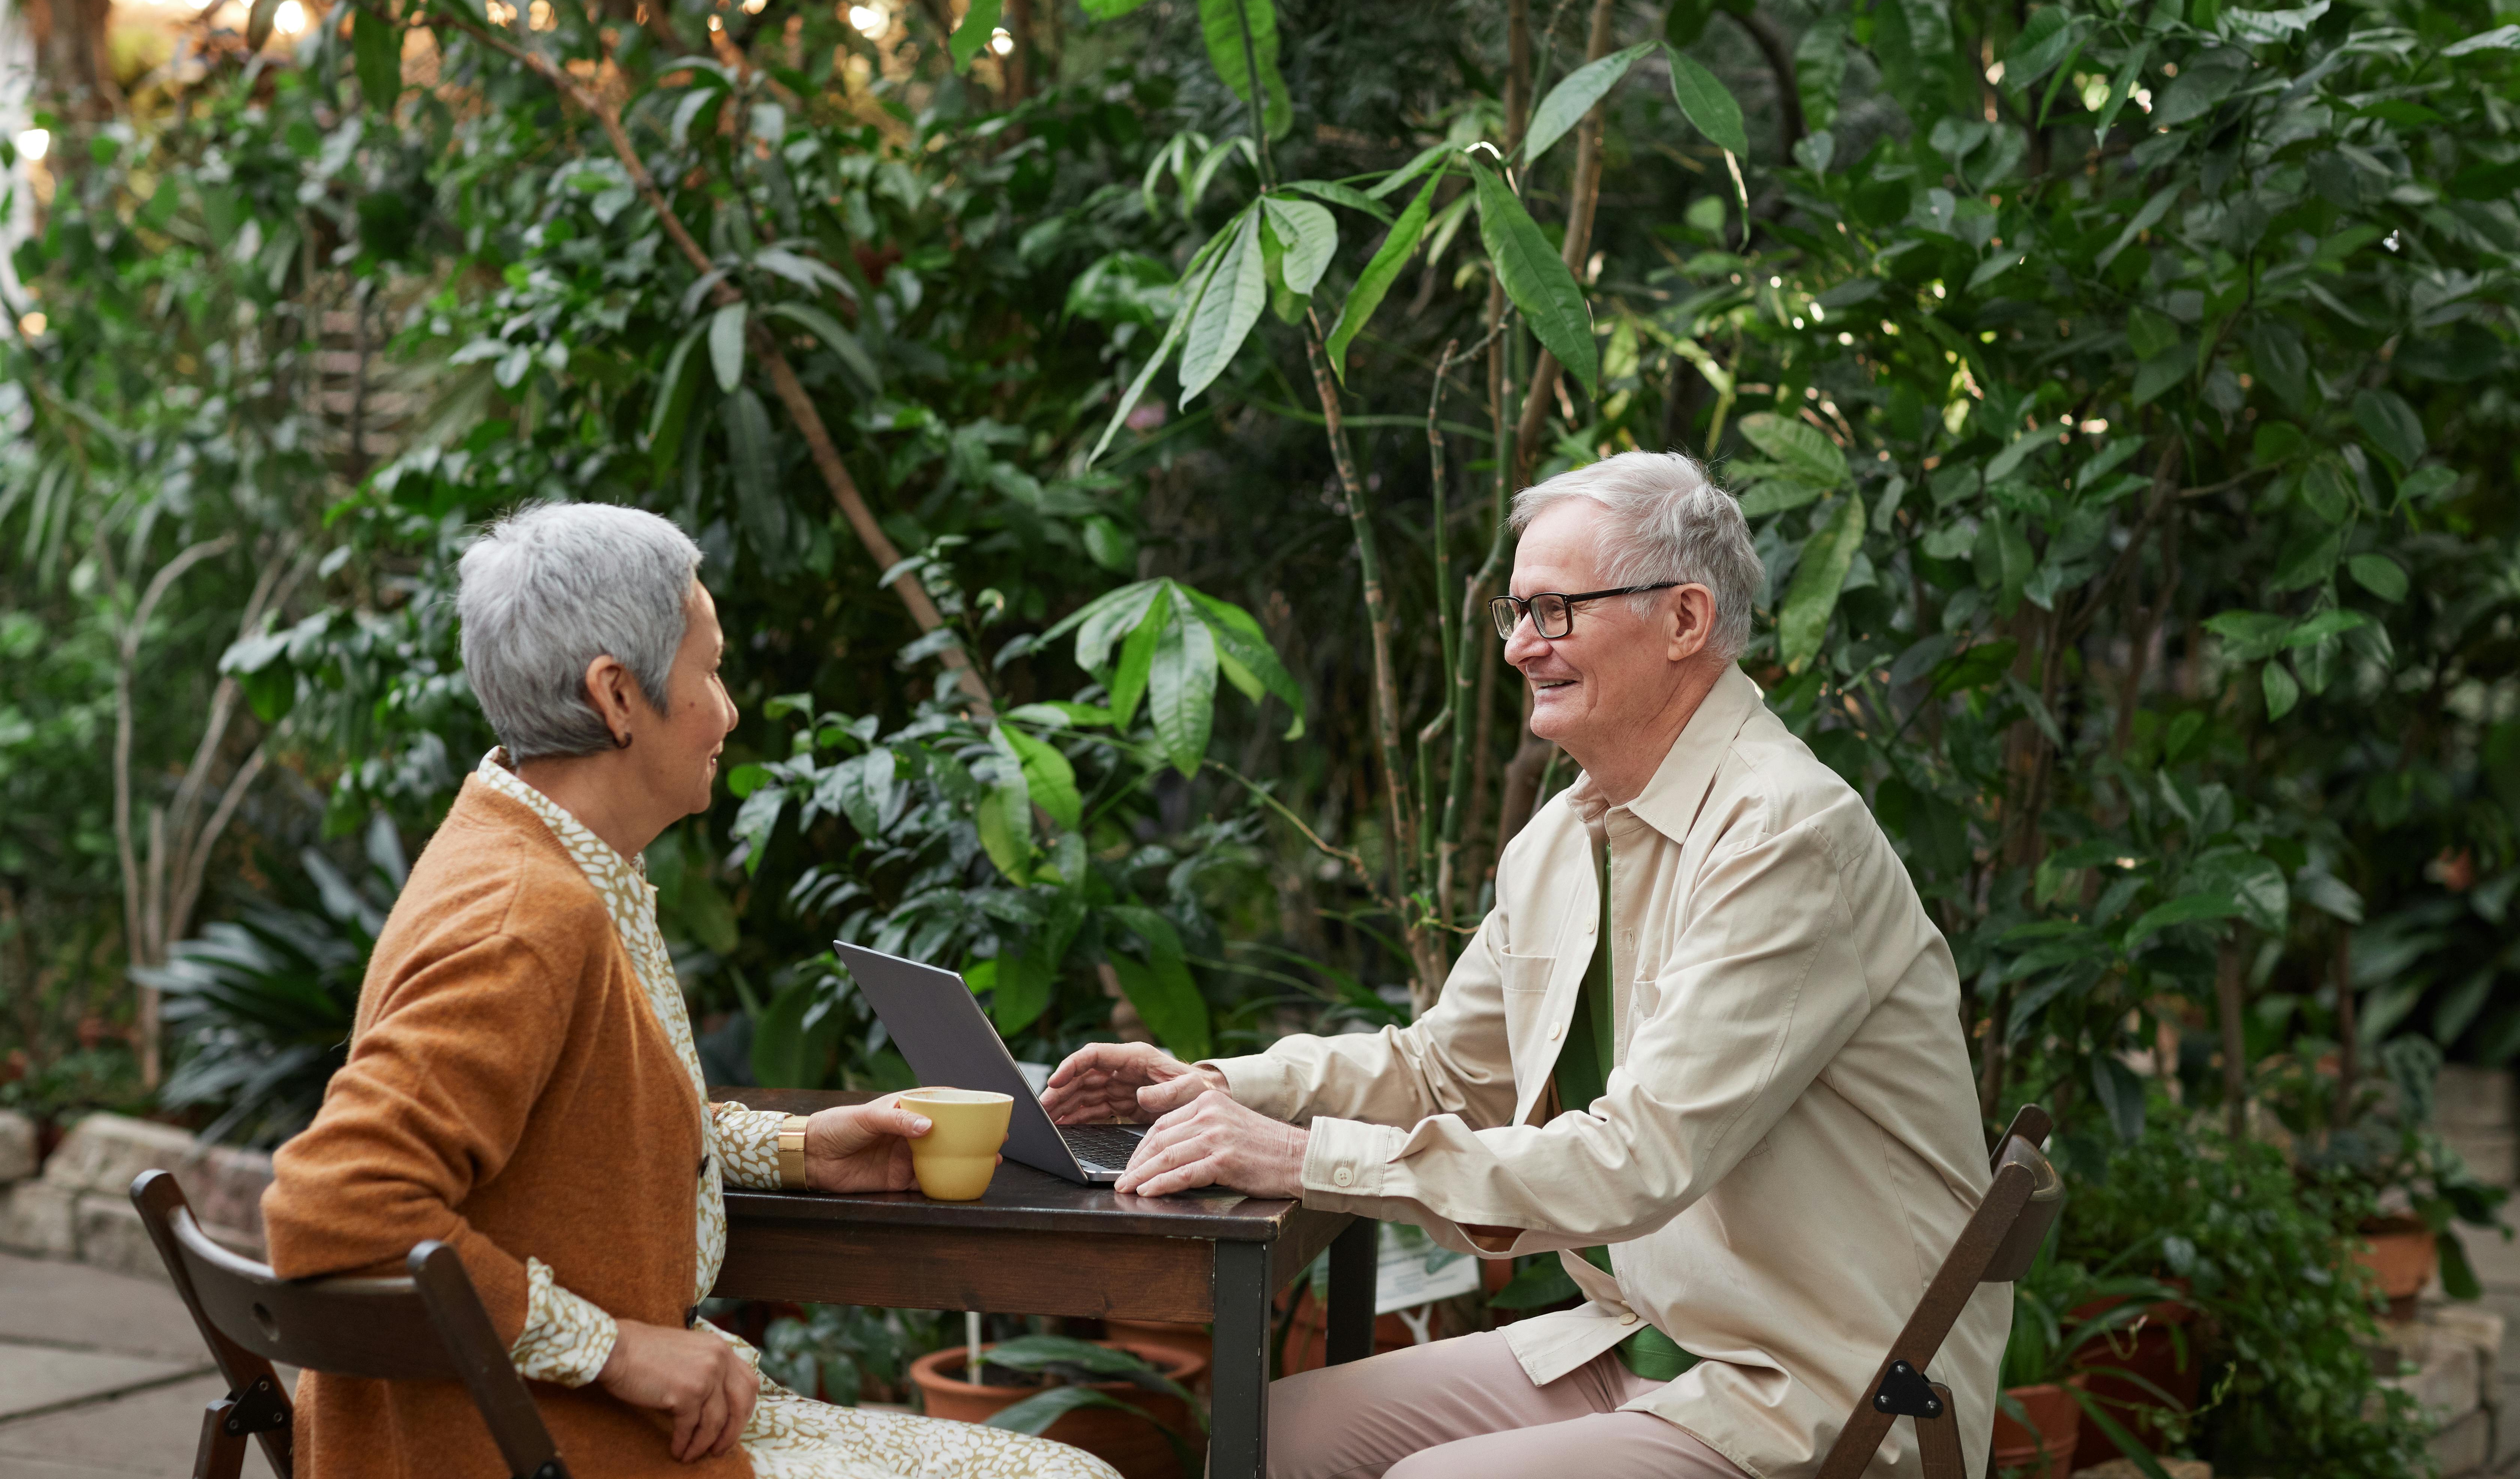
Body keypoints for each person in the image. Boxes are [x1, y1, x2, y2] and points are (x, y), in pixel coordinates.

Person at [1043, 451, 2008, 1479]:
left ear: (1684, 620)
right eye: (1515, 616)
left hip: (1825, 1386)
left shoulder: (1785, 834)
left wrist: (1293, 1159)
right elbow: (1445, 1073)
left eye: (1555, 613)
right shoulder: (1563, 838)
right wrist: (1218, 1091)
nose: (1520, 650)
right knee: (1273, 1434)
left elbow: (1637, 1162)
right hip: (1638, 1340)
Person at [261, 502, 1114, 1479]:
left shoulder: (541, 854)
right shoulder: (523, 918)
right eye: (709, 671)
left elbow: (577, 1129)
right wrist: (621, 1352)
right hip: (528, 1445)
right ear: (618, 698)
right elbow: (333, 1204)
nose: (730, 709)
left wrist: (799, 1151)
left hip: (556, 1424)